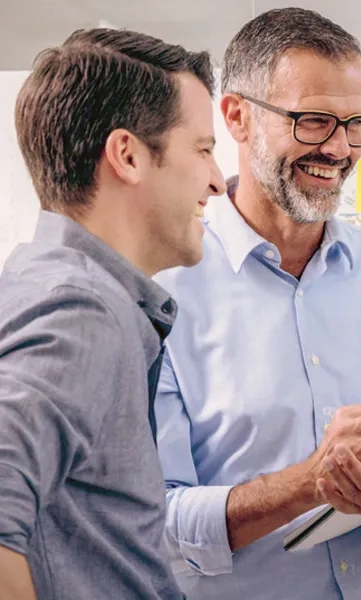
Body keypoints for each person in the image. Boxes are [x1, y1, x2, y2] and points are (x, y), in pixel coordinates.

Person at [151, 8, 361, 600]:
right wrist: (309, 484)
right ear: (238, 117)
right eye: (313, 121)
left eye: (356, 123)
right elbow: (156, 518)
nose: (339, 149)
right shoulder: (165, 289)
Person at [0, 28, 224, 600]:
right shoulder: (81, 310)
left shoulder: (43, 280)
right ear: (128, 155)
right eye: (202, 150)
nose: (218, 180)